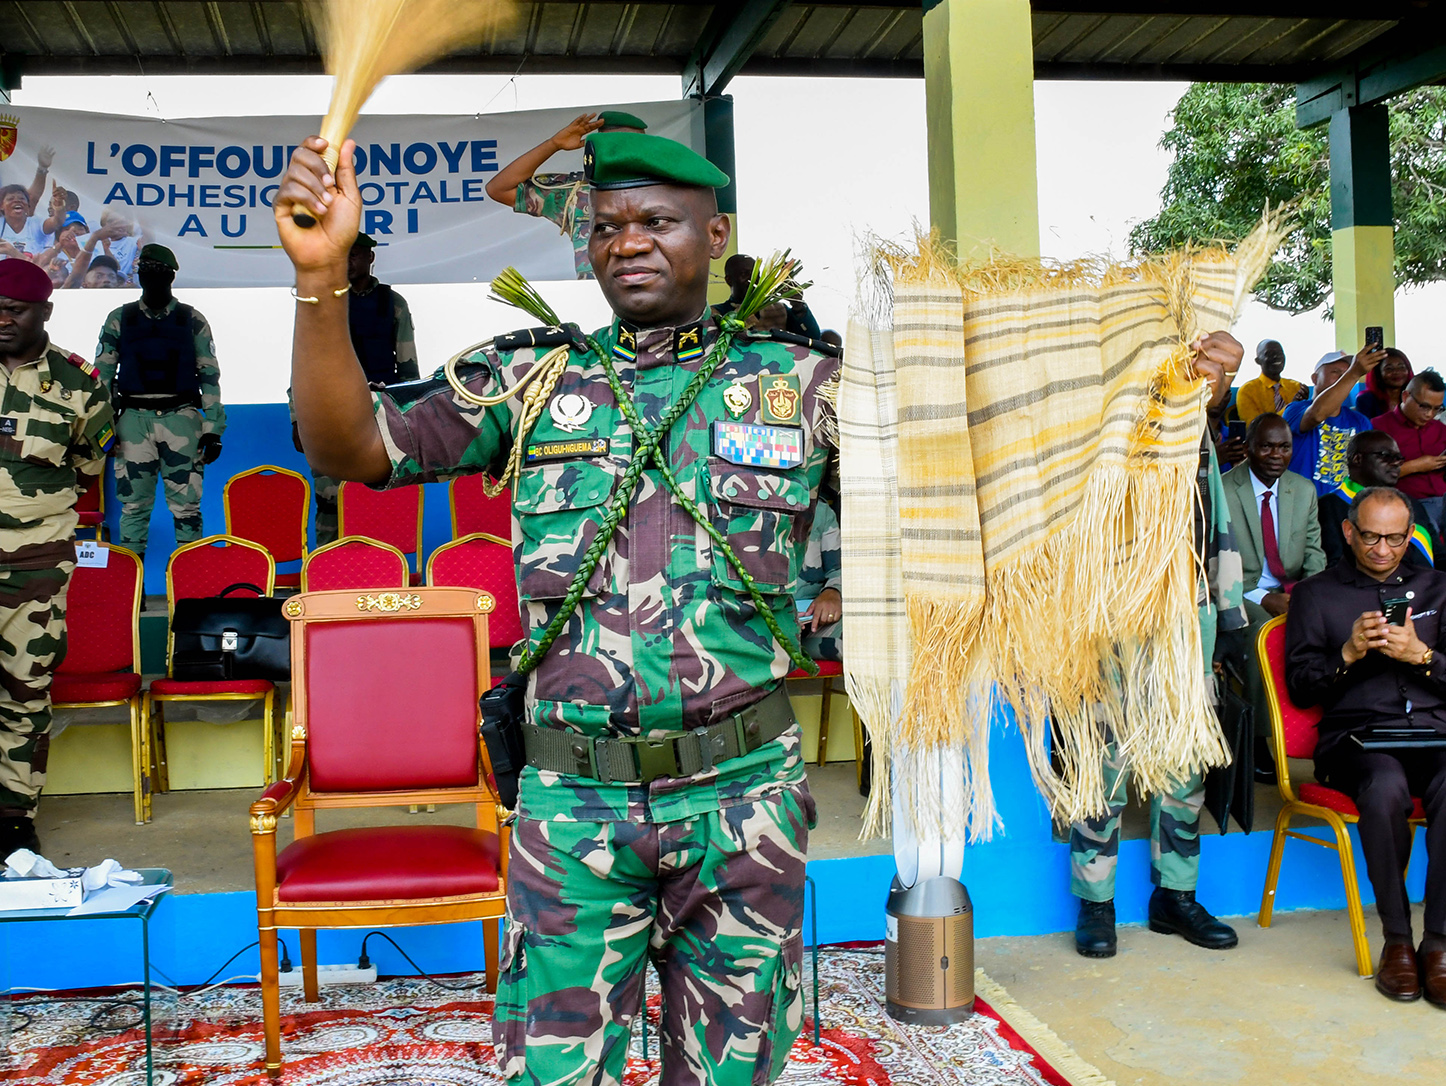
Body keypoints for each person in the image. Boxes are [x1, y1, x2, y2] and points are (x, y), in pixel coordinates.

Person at [278, 128, 839, 1084]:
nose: (630, 242)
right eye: (610, 225)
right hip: (574, 804)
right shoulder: (532, 380)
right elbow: (352, 449)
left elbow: (961, 485)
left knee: (735, 1071)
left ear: (718, 231)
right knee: (555, 1071)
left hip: (742, 801)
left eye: (659, 221)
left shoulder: (802, 386)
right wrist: (321, 280)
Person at [1072, 330, 1248, 959]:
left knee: (1184, 759)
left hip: (1186, 606)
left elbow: (1212, 509)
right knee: (1103, 757)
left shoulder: (1190, 417)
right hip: (1110, 604)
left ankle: (1174, 898)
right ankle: (1096, 904)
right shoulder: (1095, 412)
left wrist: (1226, 617)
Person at [1286, 486, 1446, 1005]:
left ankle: (1438, 944)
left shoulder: (1438, 588)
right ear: (1349, 531)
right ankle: (1398, 942)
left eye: (1396, 538)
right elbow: (1302, 688)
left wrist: (1423, 656)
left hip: (1434, 733)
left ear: (1410, 535)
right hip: (1355, 741)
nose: (1382, 548)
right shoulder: (1317, 593)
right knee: (1384, 787)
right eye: (1371, 536)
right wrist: (1348, 653)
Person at [0, 258, 115, 858]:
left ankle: (14, 820)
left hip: (35, 566)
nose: (1, 320)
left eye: (14, 310)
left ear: (45, 311)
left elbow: (89, 464)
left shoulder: (81, 384)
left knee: (25, 691)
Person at [95, 244, 225, 563]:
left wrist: (213, 428)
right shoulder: (120, 318)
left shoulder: (191, 319)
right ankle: (130, 589)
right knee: (133, 509)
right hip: (133, 420)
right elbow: (103, 377)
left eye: (157, 273)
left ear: (171, 276)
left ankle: (189, 584)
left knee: (187, 509)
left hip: (182, 418)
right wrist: (104, 426)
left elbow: (209, 373)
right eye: (144, 273)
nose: (150, 280)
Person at [298, 233, 420, 545]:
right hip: (330, 412)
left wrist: (411, 418)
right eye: (343, 255)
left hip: (382, 416)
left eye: (355, 255)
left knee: (382, 498)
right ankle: (326, 577)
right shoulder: (325, 302)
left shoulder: (393, 303)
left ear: (370, 258)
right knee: (329, 500)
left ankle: (384, 574)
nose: (348, 262)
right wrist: (297, 418)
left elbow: (408, 369)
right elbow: (303, 365)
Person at [484, 110, 647, 280]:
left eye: (632, 143)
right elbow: (499, 189)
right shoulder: (576, 191)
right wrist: (553, 144)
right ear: (596, 148)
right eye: (612, 144)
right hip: (595, 299)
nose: (623, 151)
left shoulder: (666, 189)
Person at [1222, 413, 1326, 626]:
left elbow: (1313, 553)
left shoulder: (1304, 490)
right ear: (1247, 448)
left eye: (1284, 447)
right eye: (1266, 447)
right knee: (1268, 633)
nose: (1276, 455)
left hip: (1292, 590)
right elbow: (1212, 565)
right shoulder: (1223, 492)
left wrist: (1307, 594)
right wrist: (1263, 598)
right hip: (1243, 593)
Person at [1319, 431, 1443, 571]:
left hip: (1428, 587)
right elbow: (1336, 565)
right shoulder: (1330, 505)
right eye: (1386, 456)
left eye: (1398, 458)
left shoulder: (1410, 503)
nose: (1396, 463)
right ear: (1357, 459)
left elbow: (1438, 557)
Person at [1283, 347, 1384, 495]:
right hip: (1301, 504)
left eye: (1346, 373)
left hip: (1344, 507)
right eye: (1336, 372)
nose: (1344, 378)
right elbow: (1317, 415)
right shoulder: (1295, 409)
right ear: (1315, 378)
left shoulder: (1360, 421)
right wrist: (1354, 373)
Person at [1371, 368, 1446, 533]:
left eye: (1437, 409)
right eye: (1424, 407)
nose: (1429, 415)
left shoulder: (1440, 429)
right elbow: (1372, 477)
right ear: (1405, 396)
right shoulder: (1379, 428)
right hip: (1408, 503)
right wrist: (1416, 466)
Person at [796, 500, 841, 662]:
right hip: (758, 623)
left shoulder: (820, 512)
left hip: (812, 622)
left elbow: (839, 571)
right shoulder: (745, 510)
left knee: (871, 637)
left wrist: (833, 592)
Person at [1233, 339, 1306, 423]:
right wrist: (1291, 407)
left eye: (1280, 353)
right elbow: (1255, 428)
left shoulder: (1296, 387)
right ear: (1258, 361)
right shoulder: (1247, 391)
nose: (1276, 356)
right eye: (1269, 354)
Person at [1356, 348, 1414, 419]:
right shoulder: (1366, 400)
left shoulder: (1414, 397)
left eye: (1401, 367)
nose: (1396, 372)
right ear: (1378, 374)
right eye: (1389, 368)